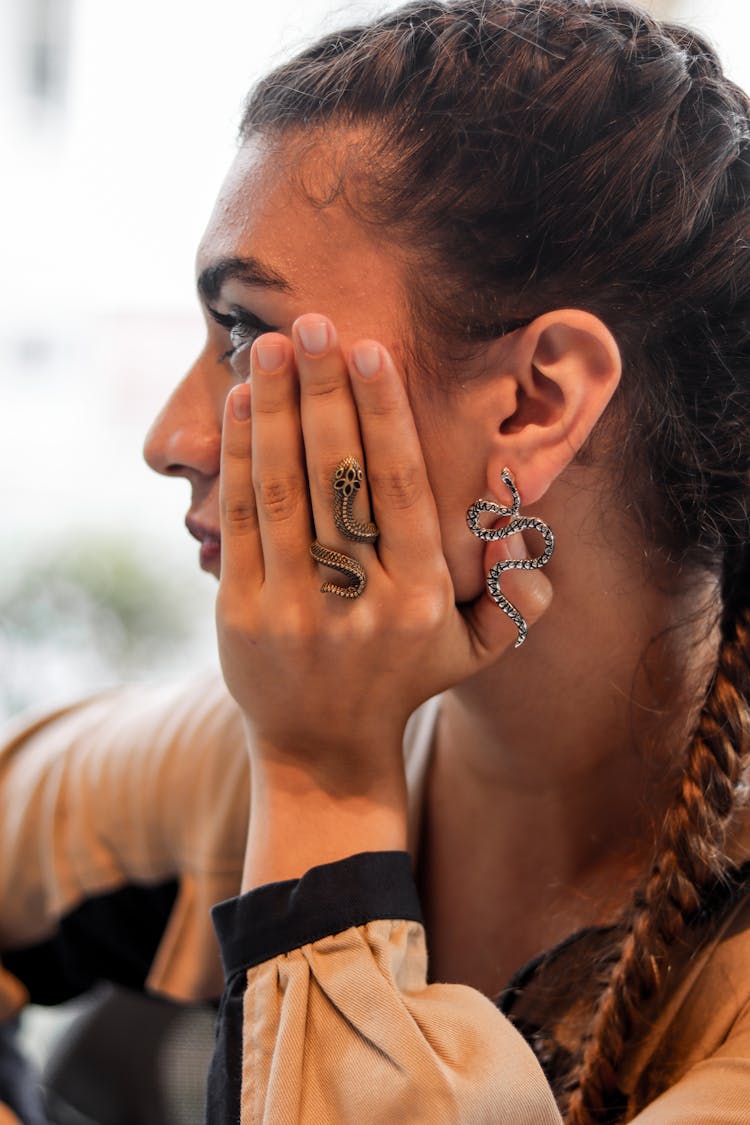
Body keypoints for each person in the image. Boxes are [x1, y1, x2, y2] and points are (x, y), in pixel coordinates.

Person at [2, 0, 750, 1121]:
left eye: (250, 337)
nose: (169, 440)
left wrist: (325, 782)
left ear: (536, 402)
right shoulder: (242, 747)